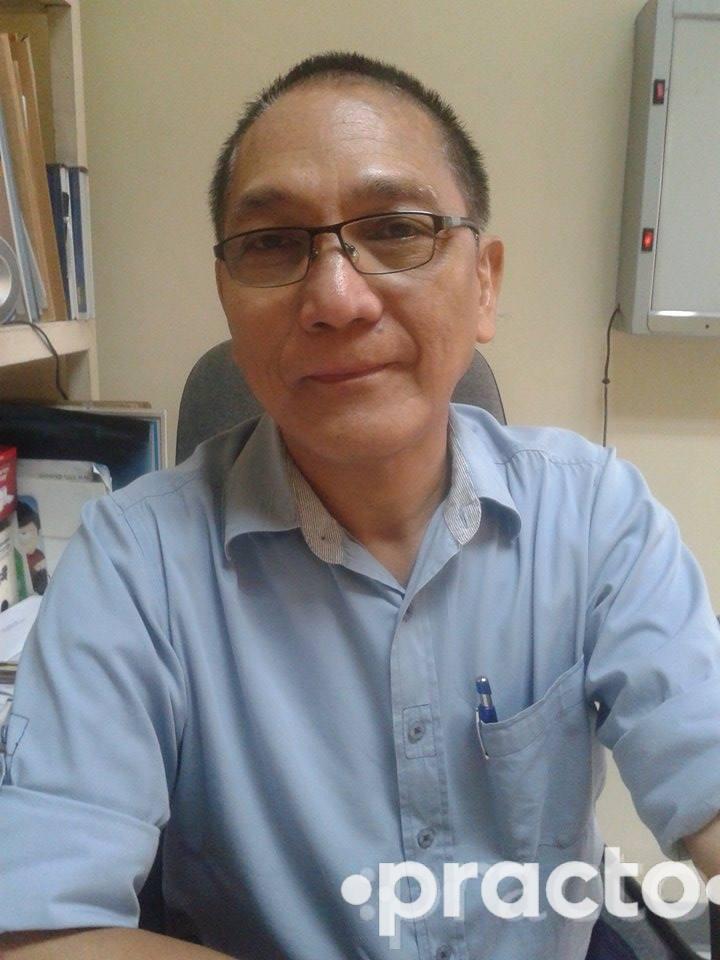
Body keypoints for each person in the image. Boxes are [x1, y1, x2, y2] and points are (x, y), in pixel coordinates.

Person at [1, 51, 719, 960]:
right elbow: (41, 929)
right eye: (273, 244)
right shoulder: (135, 562)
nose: (336, 299)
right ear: (228, 298)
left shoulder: (593, 516)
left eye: (396, 229)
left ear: (484, 283)